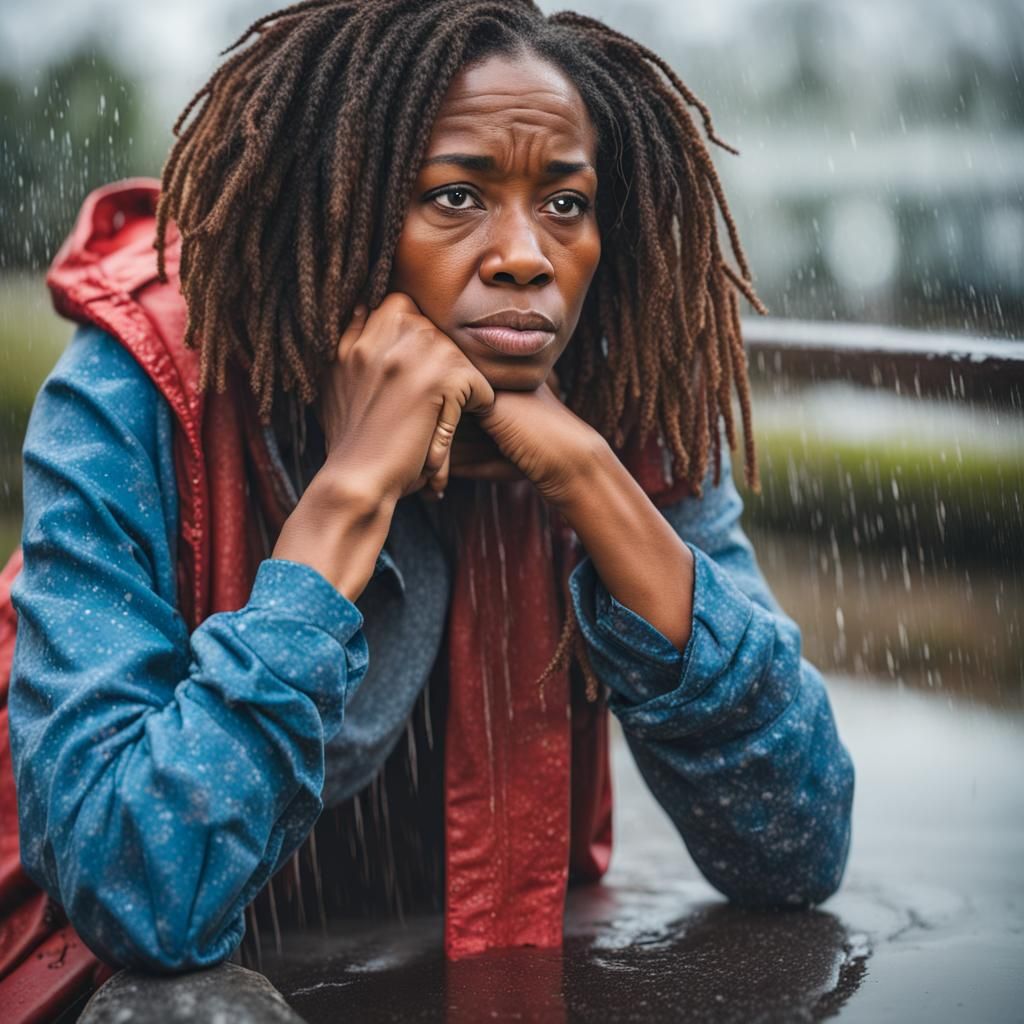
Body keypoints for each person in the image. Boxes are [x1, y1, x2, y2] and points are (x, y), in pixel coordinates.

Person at [5, 0, 854, 994]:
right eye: (456, 196)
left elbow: (793, 846)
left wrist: (589, 481)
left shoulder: (621, 399)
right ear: (335, 207)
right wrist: (351, 492)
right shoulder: (139, 386)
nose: (525, 254)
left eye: (565, 203)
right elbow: (141, 893)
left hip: (473, 967)